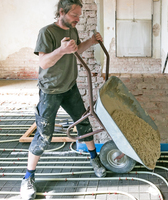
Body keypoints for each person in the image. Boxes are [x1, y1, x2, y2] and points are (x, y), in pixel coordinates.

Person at [20, 0, 106, 199]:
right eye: (75, 14)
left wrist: (91, 41)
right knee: (44, 137)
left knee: (84, 124)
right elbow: (43, 62)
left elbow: (74, 51)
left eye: (79, 14)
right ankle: (27, 178)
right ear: (62, 12)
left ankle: (95, 159)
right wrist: (60, 50)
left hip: (70, 88)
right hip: (50, 91)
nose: (78, 18)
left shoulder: (72, 30)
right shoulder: (47, 32)